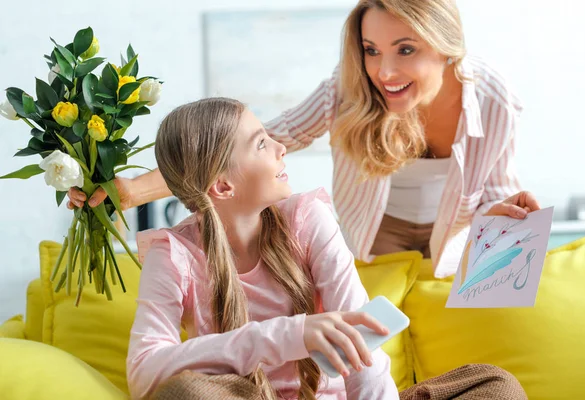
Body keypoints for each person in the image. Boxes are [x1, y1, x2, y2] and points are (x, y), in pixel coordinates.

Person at [68, 0, 541, 279]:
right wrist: (130, 192)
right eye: (371, 50)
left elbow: (494, 188)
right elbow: (247, 146)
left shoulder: (496, 100)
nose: (384, 72)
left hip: (452, 240)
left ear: (447, 46)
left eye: (406, 49)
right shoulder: (352, 86)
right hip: (374, 241)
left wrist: (503, 213)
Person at [127, 97, 527, 400]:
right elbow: (144, 371)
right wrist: (290, 335)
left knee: (495, 386)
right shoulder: (173, 254)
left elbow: (363, 345)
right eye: (261, 144)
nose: (281, 148)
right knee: (187, 394)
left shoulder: (307, 219)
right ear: (223, 186)